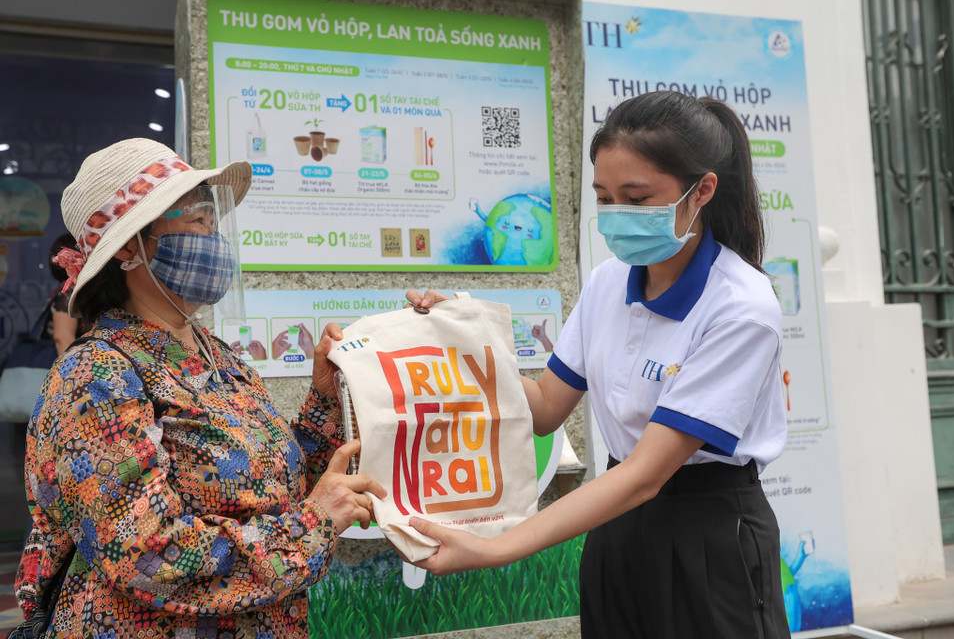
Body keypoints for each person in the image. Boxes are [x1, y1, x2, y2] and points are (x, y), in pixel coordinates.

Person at [405, 92, 790, 638]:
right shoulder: (610, 280)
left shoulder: (740, 308)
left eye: (636, 199)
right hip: (616, 523)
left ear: (701, 191)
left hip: (707, 531)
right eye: (604, 198)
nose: (616, 218)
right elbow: (543, 409)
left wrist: (496, 548)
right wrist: (464, 342)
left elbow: (645, 475)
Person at [15, 138, 385, 639]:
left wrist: (323, 398)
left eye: (214, 222)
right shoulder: (94, 376)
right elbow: (144, 553)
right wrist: (312, 526)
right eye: (196, 221)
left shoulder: (217, 354)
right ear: (129, 246)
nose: (213, 237)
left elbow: (275, 487)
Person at [47, 232, 92, 354]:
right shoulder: (67, 293)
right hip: (70, 367)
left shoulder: (60, 291)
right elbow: (63, 338)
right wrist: (73, 369)